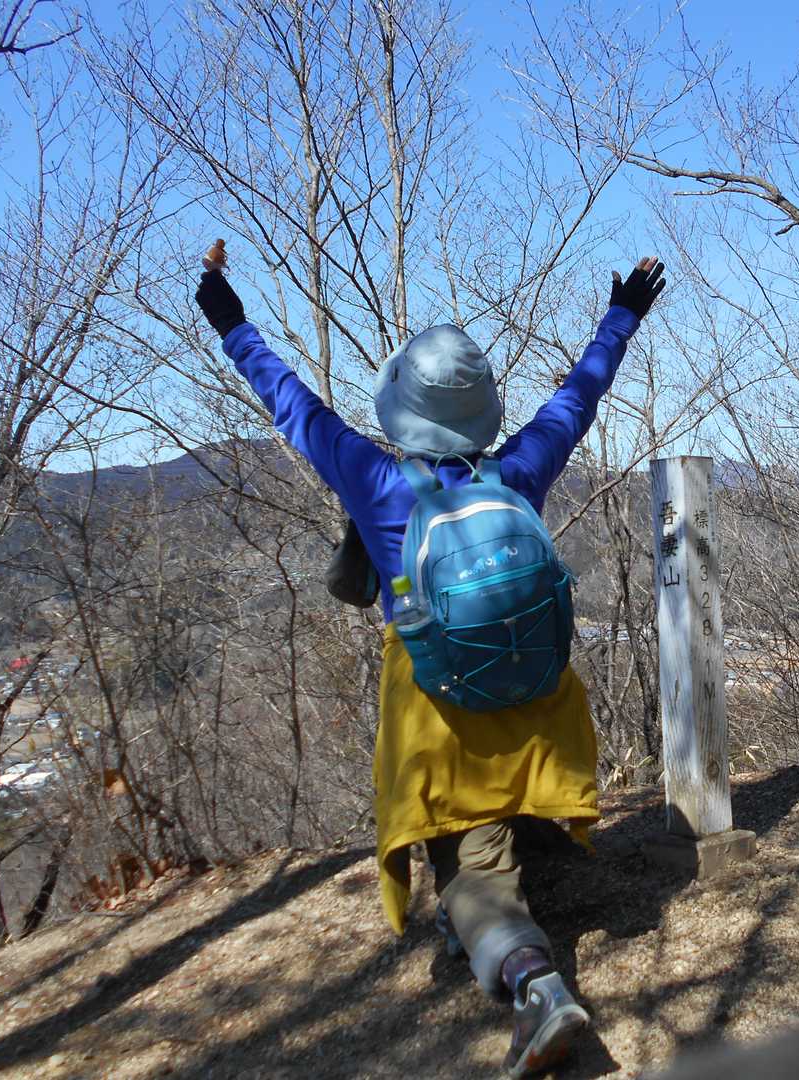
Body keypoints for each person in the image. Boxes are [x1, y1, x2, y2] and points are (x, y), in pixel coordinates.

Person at [194, 255, 666, 1077]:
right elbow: (577, 398)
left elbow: (290, 401)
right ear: (480, 412)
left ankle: (534, 983)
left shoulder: (377, 481)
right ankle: (517, 856)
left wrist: (231, 323)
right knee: (504, 797)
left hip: (439, 708)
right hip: (535, 700)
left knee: (467, 863)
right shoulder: (520, 469)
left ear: (402, 409)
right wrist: (620, 315)